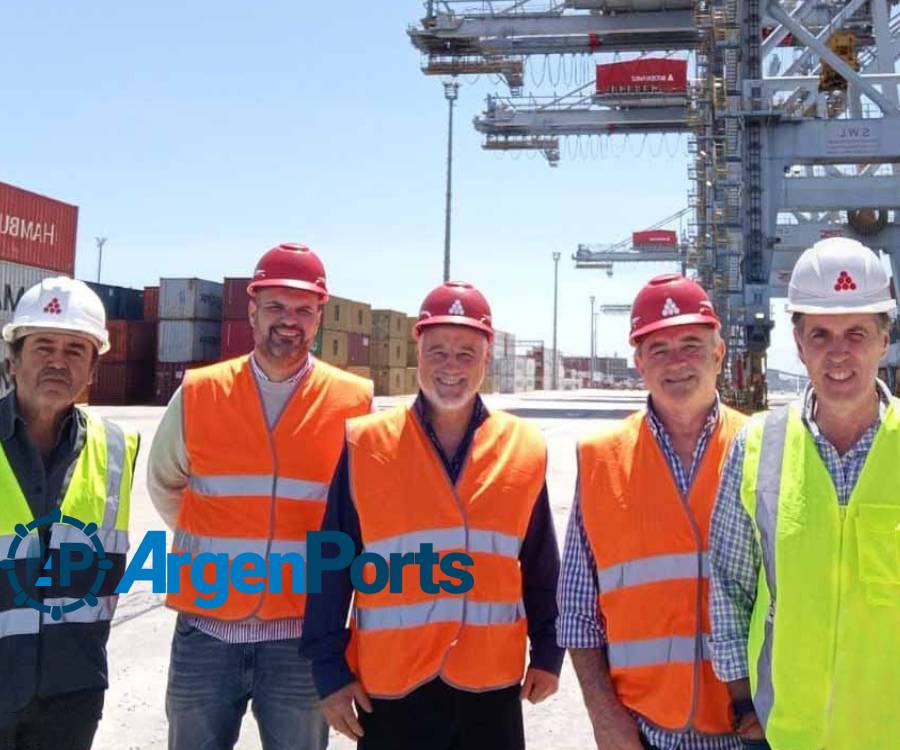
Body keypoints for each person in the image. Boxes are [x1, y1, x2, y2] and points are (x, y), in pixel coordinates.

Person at [300, 281, 563, 750]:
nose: (451, 367)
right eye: (438, 351)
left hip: (490, 685)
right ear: (417, 352)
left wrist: (548, 651)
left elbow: (542, 565)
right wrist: (329, 670)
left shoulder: (523, 448)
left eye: (466, 353)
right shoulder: (365, 443)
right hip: (392, 687)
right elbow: (330, 562)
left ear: (487, 359)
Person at [147, 243, 372, 750]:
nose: (288, 320)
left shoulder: (352, 403)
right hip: (205, 633)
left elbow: (362, 516)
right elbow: (165, 482)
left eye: (302, 310)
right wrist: (209, 543)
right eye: (275, 306)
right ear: (252, 310)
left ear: (319, 317)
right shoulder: (200, 392)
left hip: (302, 639)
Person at [709, 237, 899, 750]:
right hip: (786, 732)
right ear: (798, 342)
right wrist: (745, 702)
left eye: (856, 333)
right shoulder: (757, 444)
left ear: (885, 339)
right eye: (821, 334)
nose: (838, 353)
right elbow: (729, 585)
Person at [559, 274, 744, 750]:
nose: (676, 363)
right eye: (658, 349)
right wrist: (605, 720)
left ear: (719, 354)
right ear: (638, 361)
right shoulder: (600, 458)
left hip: (751, 730)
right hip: (643, 734)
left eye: (691, 344)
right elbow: (578, 613)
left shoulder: (763, 449)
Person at [0, 277, 139, 749]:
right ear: (12, 359)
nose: (58, 361)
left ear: (93, 370)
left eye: (76, 350)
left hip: (71, 695)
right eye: (43, 346)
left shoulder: (118, 448)